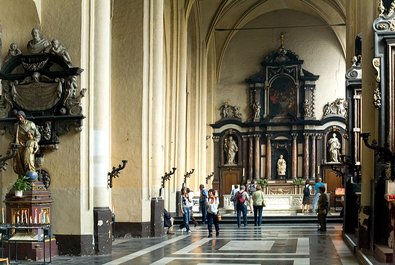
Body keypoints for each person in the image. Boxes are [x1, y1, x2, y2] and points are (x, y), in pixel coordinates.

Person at [12, 111, 41, 176]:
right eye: (18, 118)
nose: (20, 119)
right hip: (19, 147)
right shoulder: (16, 125)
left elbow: (38, 135)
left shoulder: (31, 124)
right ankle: (22, 180)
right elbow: (14, 137)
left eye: (21, 117)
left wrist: (35, 142)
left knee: (28, 163)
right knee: (20, 165)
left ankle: (31, 180)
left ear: (24, 117)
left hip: (28, 146)